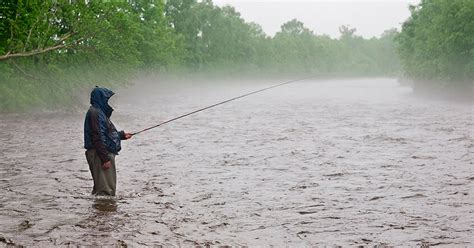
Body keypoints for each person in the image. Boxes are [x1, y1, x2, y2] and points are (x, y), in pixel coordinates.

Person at [84, 87, 132, 196]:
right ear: (100, 99)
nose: (109, 102)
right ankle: (104, 212)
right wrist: (104, 159)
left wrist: (121, 135)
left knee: (102, 190)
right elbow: (97, 137)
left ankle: (99, 211)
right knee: (105, 193)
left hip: (100, 153)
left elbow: (104, 134)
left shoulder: (98, 112)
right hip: (100, 154)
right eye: (106, 99)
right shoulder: (95, 113)